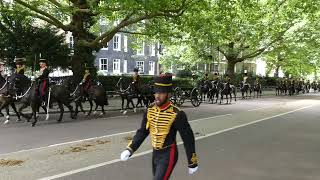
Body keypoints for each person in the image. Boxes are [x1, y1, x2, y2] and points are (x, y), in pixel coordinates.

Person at [120, 73, 199, 180]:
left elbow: (188, 138)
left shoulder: (177, 114)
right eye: (156, 92)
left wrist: (192, 161)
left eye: (161, 93)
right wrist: (130, 149)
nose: (157, 95)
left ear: (169, 94)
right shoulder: (150, 109)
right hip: (155, 154)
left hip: (169, 154)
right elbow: (143, 131)